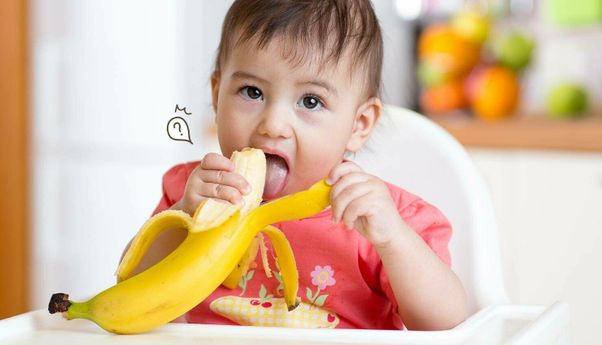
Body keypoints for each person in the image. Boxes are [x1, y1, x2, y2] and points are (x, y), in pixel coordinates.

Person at [123, 0, 468, 330]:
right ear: (216, 95)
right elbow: (131, 289)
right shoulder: (193, 192)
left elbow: (445, 323)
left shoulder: (381, 216)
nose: (273, 124)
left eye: (310, 101)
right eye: (252, 92)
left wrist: (393, 239)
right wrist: (184, 217)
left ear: (359, 124)